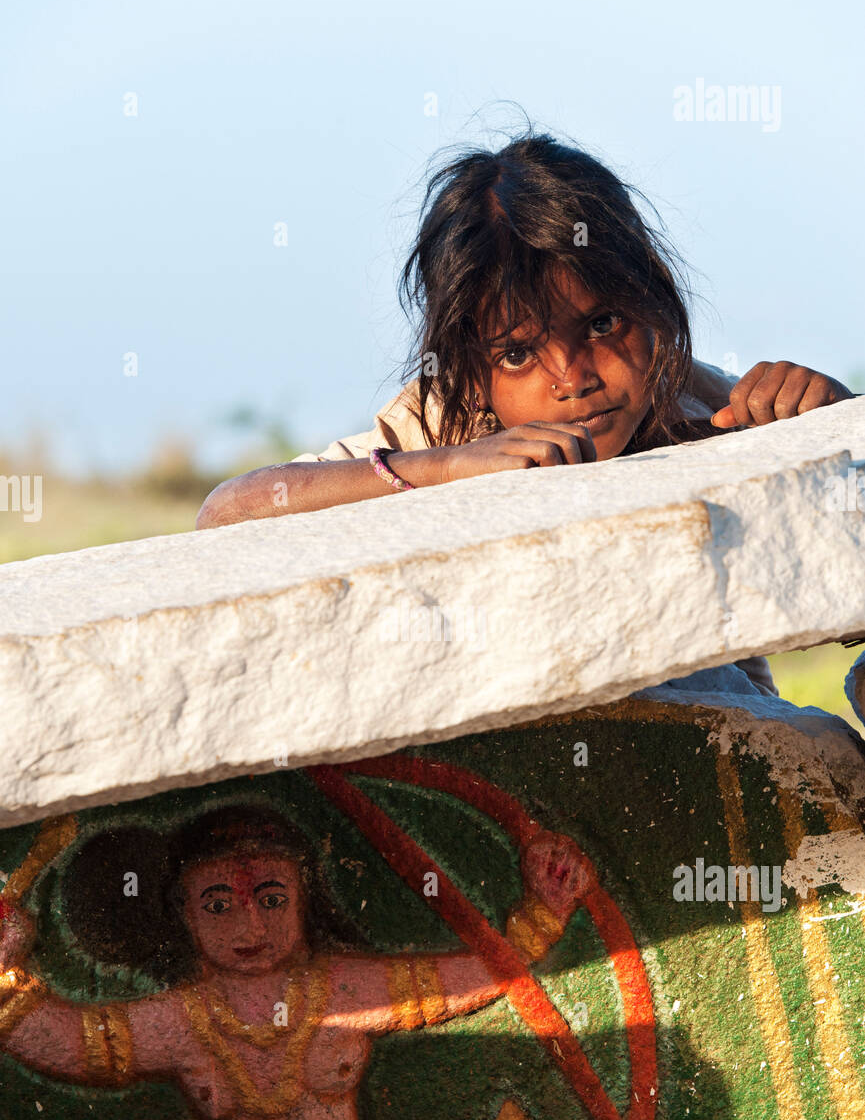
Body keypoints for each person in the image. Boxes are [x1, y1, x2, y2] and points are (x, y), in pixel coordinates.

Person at [195, 134, 852, 698]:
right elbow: (227, 513)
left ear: (652, 302)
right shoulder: (443, 428)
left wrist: (831, 428)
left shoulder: (707, 408)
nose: (571, 379)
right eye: (515, 354)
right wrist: (446, 469)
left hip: (718, 737)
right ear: (470, 372)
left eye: (601, 323)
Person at [0, 806, 590, 1120]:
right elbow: (74, 1042)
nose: (249, 927)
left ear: (305, 902)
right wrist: (5, 973)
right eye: (218, 905)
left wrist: (542, 914)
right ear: (184, 915)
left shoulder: (340, 990)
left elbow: (454, 983)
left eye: (272, 900)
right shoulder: (179, 1018)